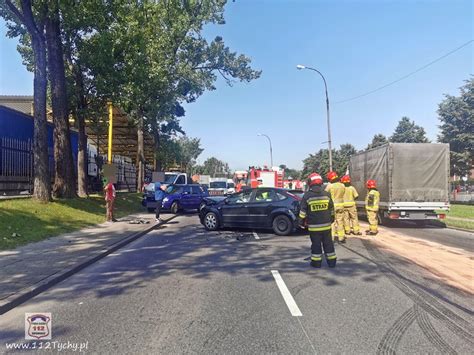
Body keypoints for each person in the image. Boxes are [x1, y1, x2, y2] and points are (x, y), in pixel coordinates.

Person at [299, 173, 337, 268]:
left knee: (316, 245)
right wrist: (332, 219)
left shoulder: (307, 196)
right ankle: (332, 262)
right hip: (326, 226)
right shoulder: (327, 194)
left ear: (310, 183)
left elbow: (303, 211)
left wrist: (300, 222)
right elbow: (332, 209)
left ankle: (316, 263)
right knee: (328, 244)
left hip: (314, 227)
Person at [325, 171, 346, 243]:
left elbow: (325, 194)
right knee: (340, 222)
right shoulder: (342, 185)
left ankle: (331, 238)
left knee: (332, 222)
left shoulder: (330, 186)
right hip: (341, 205)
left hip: (332, 206)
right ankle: (341, 237)